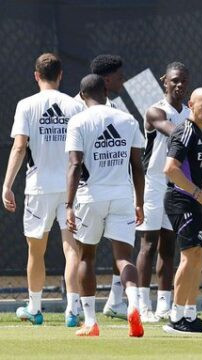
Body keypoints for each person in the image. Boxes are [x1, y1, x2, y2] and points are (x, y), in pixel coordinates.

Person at [136, 62, 202, 323]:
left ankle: (166, 304)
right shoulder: (157, 111)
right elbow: (172, 131)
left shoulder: (191, 113)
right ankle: (142, 305)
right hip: (155, 182)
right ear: (165, 81)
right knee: (148, 244)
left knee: (170, 247)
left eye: (183, 81)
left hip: (179, 185)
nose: (179, 85)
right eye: (174, 80)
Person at [3, 53, 84, 327]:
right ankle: (72, 311)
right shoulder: (75, 106)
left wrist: (6, 185)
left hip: (38, 189)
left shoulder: (26, 105)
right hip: (70, 189)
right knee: (72, 248)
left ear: (37, 76)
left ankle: (35, 309)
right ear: (60, 75)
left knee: (35, 251)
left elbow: (19, 146)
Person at [65, 74, 145, 337]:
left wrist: (68, 205)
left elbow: (75, 165)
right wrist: (140, 202)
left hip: (90, 198)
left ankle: (91, 322)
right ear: (105, 92)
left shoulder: (78, 121)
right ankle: (134, 304)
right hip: (123, 196)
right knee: (124, 258)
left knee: (87, 255)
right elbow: (137, 166)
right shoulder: (128, 119)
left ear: (82, 94)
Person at [162, 87, 202, 334]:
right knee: (190, 256)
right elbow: (170, 169)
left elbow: (191, 173)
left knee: (200, 255)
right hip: (180, 200)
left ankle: (190, 315)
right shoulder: (186, 131)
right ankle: (176, 317)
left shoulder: (198, 133)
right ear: (191, 104)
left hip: (190, 199)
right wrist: (197, 193)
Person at [74, 54, 129, 319]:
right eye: (119, 76)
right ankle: (75, 306)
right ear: (105, 82)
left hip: (100, 191)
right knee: (81, 251)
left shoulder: (118, 111)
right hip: (81, 189)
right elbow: (73, 161)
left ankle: (116, 302)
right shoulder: (76, 109)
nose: (124, 80)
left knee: (108, 251)